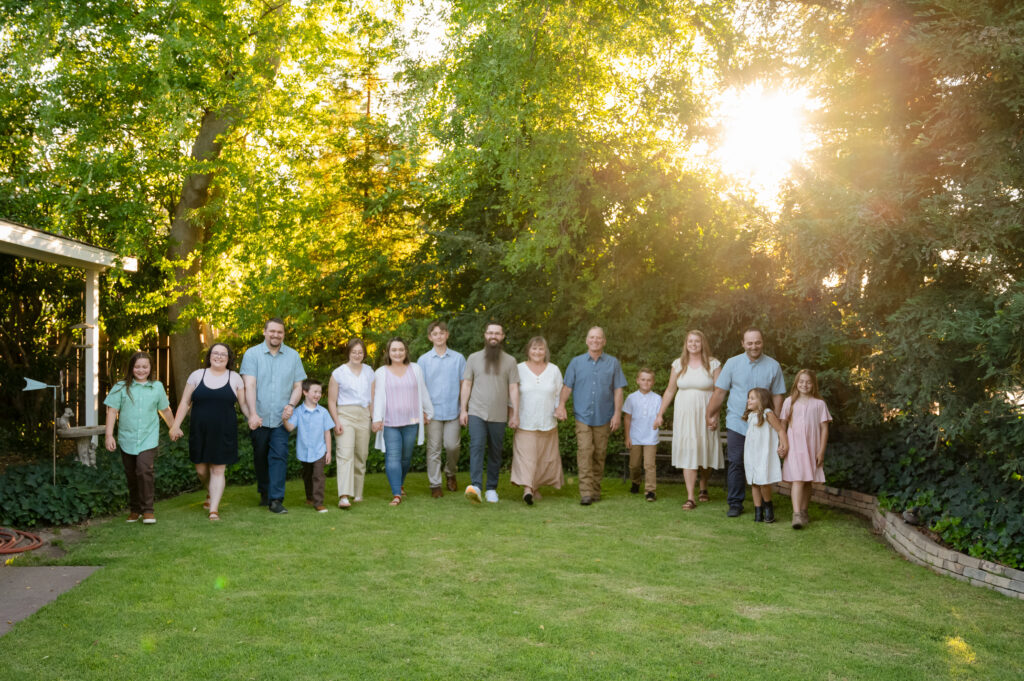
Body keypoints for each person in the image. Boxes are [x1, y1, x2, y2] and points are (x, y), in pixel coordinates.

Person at [705, 328, 787, 517]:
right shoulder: (732, 364)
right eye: (749, 343)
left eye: (757, 342)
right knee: (736, 461)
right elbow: (720, 392)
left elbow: (778, 396)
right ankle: (735, 503)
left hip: (762, 425)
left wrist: (778, 423)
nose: (754, 346)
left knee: (762, 462)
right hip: (737, 422)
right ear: (743, 343)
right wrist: (710, 415)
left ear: (762, 342)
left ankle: (764, 504)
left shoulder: (773, 366)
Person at [169, 343, 250, 521]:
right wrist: (175, 425)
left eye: (223, 354)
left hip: (225, 431)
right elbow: (184, 403)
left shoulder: (235, 378)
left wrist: (251, 417)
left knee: (218, 470)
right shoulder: (197, 375)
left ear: (229, 359)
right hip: (200, 431)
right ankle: (210, 493)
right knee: (201, 470)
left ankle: (214, 510)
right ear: (209, 356)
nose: (219, 357)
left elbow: (243, 404)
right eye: (216, 353)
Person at [240, 318, 306, 514]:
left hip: (280, 419)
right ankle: (264, 490)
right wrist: (252, 414)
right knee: (260, 456)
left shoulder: (293, 356)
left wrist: (291, 405)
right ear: (264, 332)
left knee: (279, 456)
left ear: (284, 334)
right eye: (273, 331)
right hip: (259, 418)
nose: (276, 335)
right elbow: (249, 385)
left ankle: (276, 499)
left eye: (280, 332)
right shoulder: (252, 354)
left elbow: (298, 386)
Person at [556, 326, 627, 506]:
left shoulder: (613, 363)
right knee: (585, 451)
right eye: (592, 337)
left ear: (604, 341)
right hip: (583, 416)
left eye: (599, 338)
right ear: (587, 341)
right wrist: (561, 405)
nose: (595, 340)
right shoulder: (576, 362)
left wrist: (617, 414)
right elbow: (567, 387)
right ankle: (586, 492)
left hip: (604, 416)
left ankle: (595, 490)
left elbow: (618, 390)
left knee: (600, 454)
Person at [654, 330, 723, 510]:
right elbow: (670, 390)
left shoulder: (713, 364)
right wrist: (660, 413)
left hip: (706, 412)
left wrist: (714, 414)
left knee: (705, 450)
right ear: (686, 344)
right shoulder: (678, 364)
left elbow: (719, 391)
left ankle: (704, 485)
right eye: (690, 341)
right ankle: (690, 497)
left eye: (697, 341)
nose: (693, 344)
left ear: (703, 343)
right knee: (689, 451)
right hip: (684, 414)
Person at [104, 351, 174, 525]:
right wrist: (108, 435)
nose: (141, 370)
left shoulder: (156, 387)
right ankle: (135, 509)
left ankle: (148, 510)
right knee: (131, 474)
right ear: (131, 368)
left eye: (145, 366)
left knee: (144, 470)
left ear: (150, 368)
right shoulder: (121, 387)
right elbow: (112, 411)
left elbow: (164, 410)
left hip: (148, 438)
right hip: (126, 438)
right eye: (137, 366)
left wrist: (174, 427)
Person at [459, 322, 520, 504]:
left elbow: (514, 388)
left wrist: (515, 414)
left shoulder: (510, 361)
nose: (493, 336)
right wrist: (463, 410)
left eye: (497, 333)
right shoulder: (473, 358)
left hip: (499, 414)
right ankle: (476, 486)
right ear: (485, 335)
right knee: (476, 448)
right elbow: (467, 384)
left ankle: (492, 488)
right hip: (476, 412)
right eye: (490, 333)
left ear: (502, 337)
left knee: (495, 451)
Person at [372, 338, 434, 506]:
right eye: (394, 350)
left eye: (401, 350)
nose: (397, 353)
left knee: (405, 458)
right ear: (388, 352)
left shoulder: (416, 369)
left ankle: (400, 483)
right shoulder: (381, 372)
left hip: (412, 420)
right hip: (390, 423)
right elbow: (377, 397)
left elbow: (422, 391)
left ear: (406, 351)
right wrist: (376, 419)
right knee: (393, 457)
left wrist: (427, 411)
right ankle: (396, 494)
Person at [511, 336, 565, 505]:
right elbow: (512, 394)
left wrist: (560, 409)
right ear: (528, 350)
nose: (537, 352)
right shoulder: (518, 369)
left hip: (547, 421)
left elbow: (559, 394)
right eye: (534, 348)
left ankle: (535, 487)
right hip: (524, 421)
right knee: (526, 457)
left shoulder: (554, 370)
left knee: (543, 458)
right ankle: (527, 489)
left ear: (545, 351)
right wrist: (513, 415)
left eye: (541, 349)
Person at [418, 321, 466, 497]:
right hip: (432, 413)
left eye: (442, 333)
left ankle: (450, 473)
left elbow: (464, 385)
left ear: (447, 335)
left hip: (453, 411)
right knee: (434, 448)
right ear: (430, 337)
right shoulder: (423, 360)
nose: (439, 336)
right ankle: (435, 484)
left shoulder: (458, 358)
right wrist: (422, 410)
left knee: (452, 446)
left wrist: (464, 409)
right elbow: (419, 388)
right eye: (435, 333)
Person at [780, 369, 832, 529]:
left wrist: (821, 451)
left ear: (813, 384)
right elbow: (782, 425)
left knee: (808, 480)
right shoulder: (789, 402)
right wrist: (782, 444)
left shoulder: (819, 404)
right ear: (796, 383)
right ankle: (796, 515)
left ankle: (803, 511)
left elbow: (824, 429)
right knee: (797, 479)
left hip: (812, 447)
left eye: (808, 382)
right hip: (794, 446)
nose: (804, 384)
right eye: (801, 381)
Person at [327, 338, 374, 509]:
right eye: (354, 352)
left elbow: (372, 398)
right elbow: (331, 401)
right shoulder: (338, 373)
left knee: (361, 455)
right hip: (344, 415)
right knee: (345, 454)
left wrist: (373, 418)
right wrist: (336, 421)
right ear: (348, 352)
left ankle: (358, 493)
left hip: (363, 415)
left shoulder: (369, 372)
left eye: (360, 352)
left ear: (364, 354)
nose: (357, 355)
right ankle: (344, 496)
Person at [284, 379, 334, 513]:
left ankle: (318, 503)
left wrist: (328, 452)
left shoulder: (323, 412)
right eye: (315, 392)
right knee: (307, 475)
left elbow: (327, 433)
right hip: (304, 451)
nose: (318, 395)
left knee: (318, 475)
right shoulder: (298, 412)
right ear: (305, 392)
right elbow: (289, 428)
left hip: (320, 451)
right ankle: (310, 497)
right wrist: (284, 419)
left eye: (320, 392)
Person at [742, 388, 789, 523]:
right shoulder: (751, 416)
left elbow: (780, 430)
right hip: (752, 454)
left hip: (764, 454)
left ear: (761, 400)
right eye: (748, 397)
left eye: (752, 398)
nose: (748, 400)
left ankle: (768, 507)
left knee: (763, 482)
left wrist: (784, 445)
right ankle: (758, 512)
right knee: (754, 483)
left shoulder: (768, 414)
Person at [623, 368, 661, 502]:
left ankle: (650, 491)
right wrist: (627, 437)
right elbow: (627, 418)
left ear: (653, 382)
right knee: (634, 465)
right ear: (638, 381)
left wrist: (658, 420)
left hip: (650, 437)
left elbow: (659, 416)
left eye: (649, 380)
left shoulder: (657, 398)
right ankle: (635, 482)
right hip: (635, 437)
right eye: (643, 379)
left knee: (649, 465)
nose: (646, 382)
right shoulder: (631, 398)